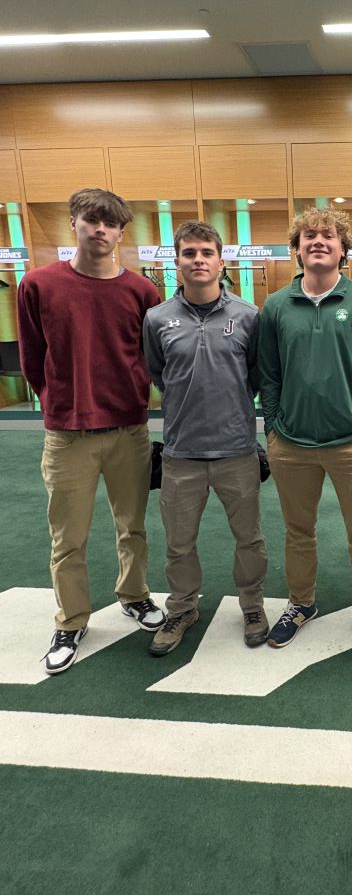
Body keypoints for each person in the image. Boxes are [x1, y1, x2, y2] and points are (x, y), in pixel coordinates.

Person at [17, 187, 164, 675]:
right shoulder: (37, 284)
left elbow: (151, 357)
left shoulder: (142, 292)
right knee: (68, 538)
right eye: (90, 220)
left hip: (129, 431)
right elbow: (32, 357)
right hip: (68, 435)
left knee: (133, 527)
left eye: (109, 224)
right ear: (74, 224)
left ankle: (135, 595)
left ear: (121, 233)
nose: (100, 230)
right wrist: (59, 402)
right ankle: (72, 619)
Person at [258, 206, 352, 657]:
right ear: (297, 249)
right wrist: (273, 427)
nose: (318, 241)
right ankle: (301, 603)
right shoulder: (276, 306)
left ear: (342, 249)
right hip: (291, 444)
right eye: (309, 236)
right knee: (299, 531)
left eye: (328, 236)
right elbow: (269, 375)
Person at [142, 221, 269, 655]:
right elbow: (159, 373)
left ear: (220, 261)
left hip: (237, 449)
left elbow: (254, 376)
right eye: (189, 253)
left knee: (249, 537)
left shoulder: (248, 315)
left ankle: (252, 604)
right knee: (178, 543)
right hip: (181, 453)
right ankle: (181, 608)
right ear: (176, 261)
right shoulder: (157, 318)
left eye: (206, 253)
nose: (198, 260)